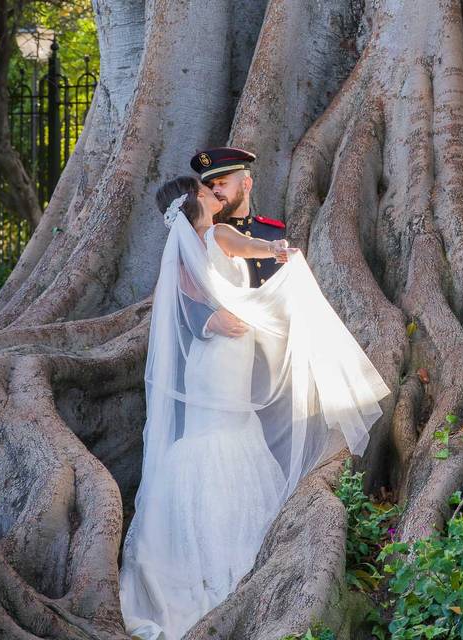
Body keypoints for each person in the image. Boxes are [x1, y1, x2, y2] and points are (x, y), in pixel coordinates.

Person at [118, 176, 390, 640]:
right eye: (208, 191)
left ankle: (206, 560)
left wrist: (271, 266)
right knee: (225, 435)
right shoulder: (204, 241)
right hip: (222, 357)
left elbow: (227, 273)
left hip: (218, 355)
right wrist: (272, 269)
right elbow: (228, 273)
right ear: (198, 201)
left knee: (227, 433)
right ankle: (219, 564)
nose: (216, 194)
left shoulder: (201, 244)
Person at [183, 146, 286, 341]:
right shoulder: (203, 238)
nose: (216, 190)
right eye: (211, 185)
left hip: (275, 342)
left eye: (222, 183)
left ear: (246, 184)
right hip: (229, 340)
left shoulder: (275, 232)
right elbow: (179, 293)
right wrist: (208, 319)